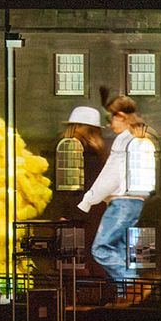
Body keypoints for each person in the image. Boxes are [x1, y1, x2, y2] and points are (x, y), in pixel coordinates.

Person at [77, 92, 154, 302]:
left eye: (111, 118)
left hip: (122, 201)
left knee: (100, 248)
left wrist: (89, 200)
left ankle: (132, 286)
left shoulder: (124, 140)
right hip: (135, 200)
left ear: (120, 115)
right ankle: (126, 296)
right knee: (118, 248)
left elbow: (110, 175)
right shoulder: (141, 138)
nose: (110, 125)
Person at [60, 105, 107, 277]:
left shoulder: (72, 149)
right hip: (97, 212)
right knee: (92, 257)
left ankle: (78, 295)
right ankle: (100, 294)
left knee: (71, 260)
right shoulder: (99, 154)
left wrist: (65, 213)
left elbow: (71, 189)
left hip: (78, 212)